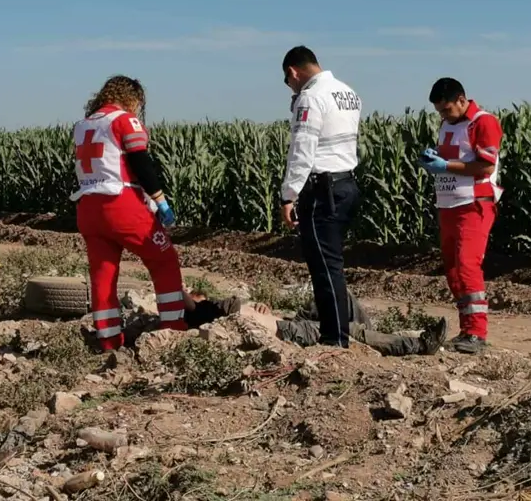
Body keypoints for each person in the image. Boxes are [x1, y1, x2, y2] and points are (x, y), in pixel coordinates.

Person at [70, 75, 192, 351]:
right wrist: (159, 199)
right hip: (121, 204)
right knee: (164, 260)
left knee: (103, 274)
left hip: (88, 207)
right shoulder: (124, 120)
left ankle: (108, 339)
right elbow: (140, 161)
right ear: (132, 98)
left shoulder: (83, 125)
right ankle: (174, 329)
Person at [278, 46, 362, 348]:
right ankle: (338, 332)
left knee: (325, 268)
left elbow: (302, 150)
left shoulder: (310, 97)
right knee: (333, 264)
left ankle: (334, 339)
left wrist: (288, 196)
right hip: (346, 184)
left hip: (322, 190)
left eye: (288, 82)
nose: (291, 88)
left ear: (293, 72)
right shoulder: (347, 92)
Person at [418, 78, 504, 354]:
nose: (443, 116)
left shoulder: (483, 122)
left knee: (467, 265)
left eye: (446, 109)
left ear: (461, 100)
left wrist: (444, 166)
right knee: (454, 269)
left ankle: (477, 333)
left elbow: (485, 166)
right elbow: (456, 156)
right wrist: (434, 157)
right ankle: (467, 329)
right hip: (448, 204)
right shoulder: (447, 124)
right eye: (439, 112)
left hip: (474, 203)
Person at [185, 292, 447, 357]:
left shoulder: (216, 307)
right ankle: (417, 345)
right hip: (288, 332)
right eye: (197, 297)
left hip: (289, 321)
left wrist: (261, 307)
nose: (201, 296)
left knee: (339, 296)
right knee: (344, 330)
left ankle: (374, 339)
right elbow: (181, 297)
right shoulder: (204, 314)